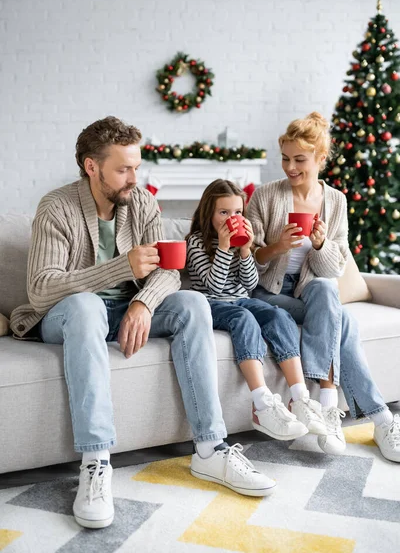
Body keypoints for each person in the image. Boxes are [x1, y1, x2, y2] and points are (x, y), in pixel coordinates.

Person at [10, 117, 275, 530]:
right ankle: (97, 462)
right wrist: (120, 267)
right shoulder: (56, 206)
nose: (135, 178)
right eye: (123, 169)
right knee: (85, 307)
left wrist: (144, 303)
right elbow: (42, 289)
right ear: (91, 167)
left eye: (137, 166)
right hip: (68, 315)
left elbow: (169, 272)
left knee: (191, 303)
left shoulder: (143, 204)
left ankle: (210, 448)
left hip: (129, 311)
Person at [247, 111, 400, 461]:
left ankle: (328, 406)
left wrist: (319, 245)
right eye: (285, 158)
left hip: (310, 290)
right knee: (341, 321)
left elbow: (334, 268)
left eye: (299, 160)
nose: (290, 167)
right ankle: (377, 417)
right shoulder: (266, 195)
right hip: (268, 292)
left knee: (326, 292)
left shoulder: (336, 202)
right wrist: (278, 247)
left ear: (320, 158)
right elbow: (249, 258)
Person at [186, 179, 327, 445]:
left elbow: (250, 284)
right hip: (211, 303)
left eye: (238, 212)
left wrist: (244, 250)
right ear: (209, 213)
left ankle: (300, 398)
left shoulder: (242, 243)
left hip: (241, 299)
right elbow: (213, 285)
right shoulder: (196, 242)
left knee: (278, 315)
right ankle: (261, 403)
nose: (232, 218)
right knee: (244, 318)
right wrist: (225, 249)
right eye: (224, 212)